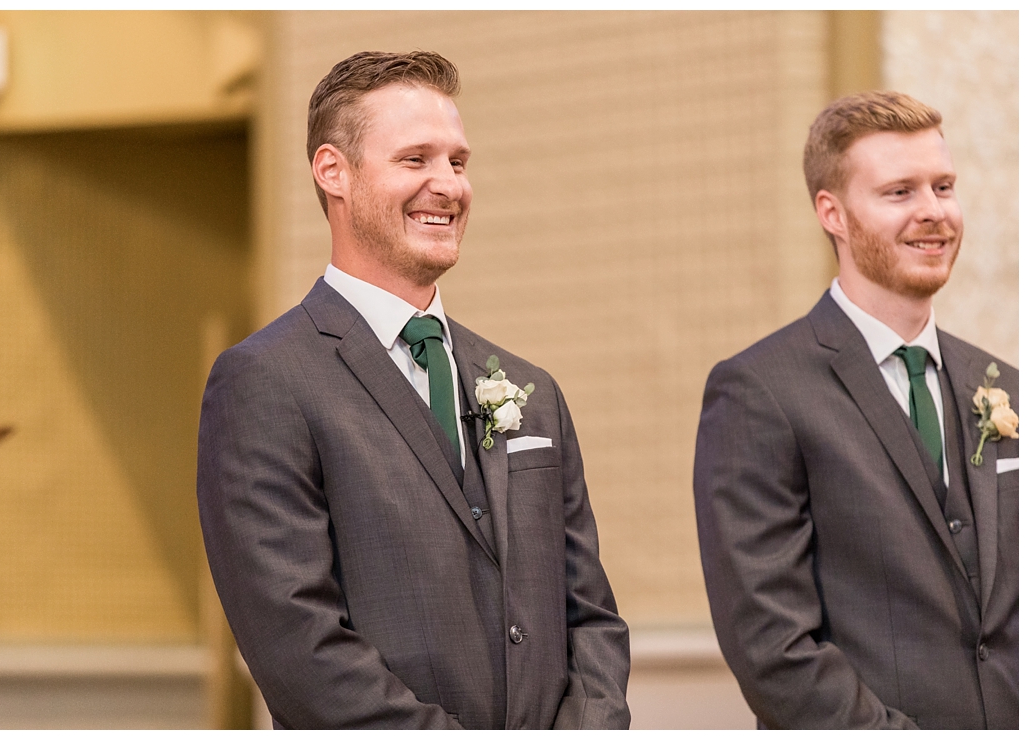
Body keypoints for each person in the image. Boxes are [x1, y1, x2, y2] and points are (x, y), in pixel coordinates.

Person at [197, 50, 630, 730]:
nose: (449, 185)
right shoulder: (267, 381)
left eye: (457, 162)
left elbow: (591, 615)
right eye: (415, 160)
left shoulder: (529, 388)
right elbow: (297, 641)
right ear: (332, 172)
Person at [693, 91, 1018, 729]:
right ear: (832, 213)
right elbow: (772, 648)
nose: (933, 212)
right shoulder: (759, 391)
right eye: (900, 192)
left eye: (943, 186)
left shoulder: (1003, 383)